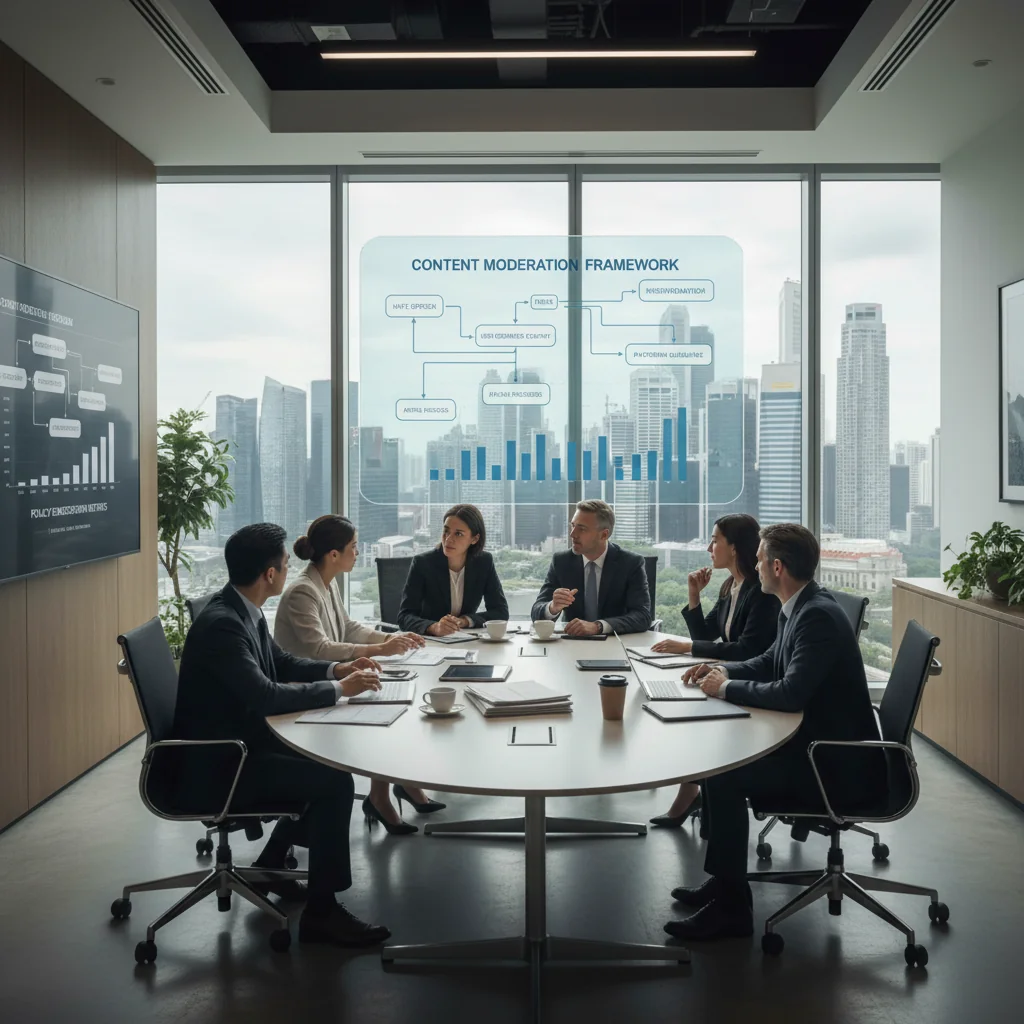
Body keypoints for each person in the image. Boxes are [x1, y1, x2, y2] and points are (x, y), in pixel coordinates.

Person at [664, 523, 886, 942]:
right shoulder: (800, 605)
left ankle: (732, 909)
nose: (757, 566)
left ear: (777, 566)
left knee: (724, 771)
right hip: (814, 747)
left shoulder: (815, 615)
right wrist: (721, 670)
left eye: (762, 559)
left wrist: (724, 687)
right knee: (719, 761)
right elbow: (769, 660)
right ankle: (725, 881)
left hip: (833, 764)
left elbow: (790, 692)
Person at [174, 522, 391, 948]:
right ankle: (322, 915)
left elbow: (283, 662)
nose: (291, 567)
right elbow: (265, 694)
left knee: (324, 764)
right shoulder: (225, 625)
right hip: (221, 764)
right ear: (269, 575)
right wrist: (339, 691)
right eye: (286, 563)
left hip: (241, 745)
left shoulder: (241, 610)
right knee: (334, 782)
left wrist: (337, 670)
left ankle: (273, 863)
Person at [275, 514, 445, 835]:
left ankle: (392, 789)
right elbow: (320, 649)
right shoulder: (302, 592)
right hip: (305, 693)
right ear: (333, 554)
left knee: (396, 702)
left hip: (328, 680)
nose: (358, 552)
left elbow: (348, 627)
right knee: (389, 707)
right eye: (353, 547)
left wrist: (389, 641)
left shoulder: (324, 582)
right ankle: (382, 796)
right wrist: (379, 651)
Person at [648, 514, 780, 828]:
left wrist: (689, 649)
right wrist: (694, 596)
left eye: (715, 540)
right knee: (688, 709)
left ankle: (700, 800)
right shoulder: (730, 586)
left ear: (734, 548)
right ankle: (694, 796)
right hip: (733, 672)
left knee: (695, 718)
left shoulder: (759, 592)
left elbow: (749, 649)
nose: (709, 548)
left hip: (751, 679)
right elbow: (707, 636)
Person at [531, 499, 651, 635]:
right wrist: (552, 607)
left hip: (615, 645)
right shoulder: (562, 561)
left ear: (604, 534)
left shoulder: (631, 563)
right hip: (573, 646)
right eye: (573, 526)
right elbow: (537, 612)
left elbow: (643, 616)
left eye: (581, 529)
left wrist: (598, 626)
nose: (572, 534)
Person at [398, 504, 509, 636]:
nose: (449, 539)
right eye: (446, 531)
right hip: (429, 642)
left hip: (464, 639)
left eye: (458, 534)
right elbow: (405, 616)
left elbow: (500, 612)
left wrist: (465, 621)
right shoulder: (423, 563)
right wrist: (434, 627)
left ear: (474, 539)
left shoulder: (483, 562)